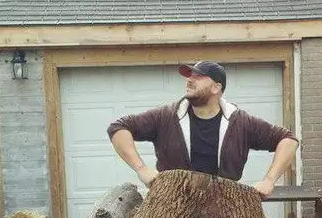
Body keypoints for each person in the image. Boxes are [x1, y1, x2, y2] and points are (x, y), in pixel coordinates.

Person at [107, 61, 299, 198]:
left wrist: (269, 180)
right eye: (190, 76)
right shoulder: (165, 116)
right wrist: (141, 169)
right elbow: (119, 128)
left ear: (216, 87)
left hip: (223, 206)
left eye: (198, 77)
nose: (190, 80)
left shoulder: (241, 122)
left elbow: (288, 140)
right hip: (171, 206)